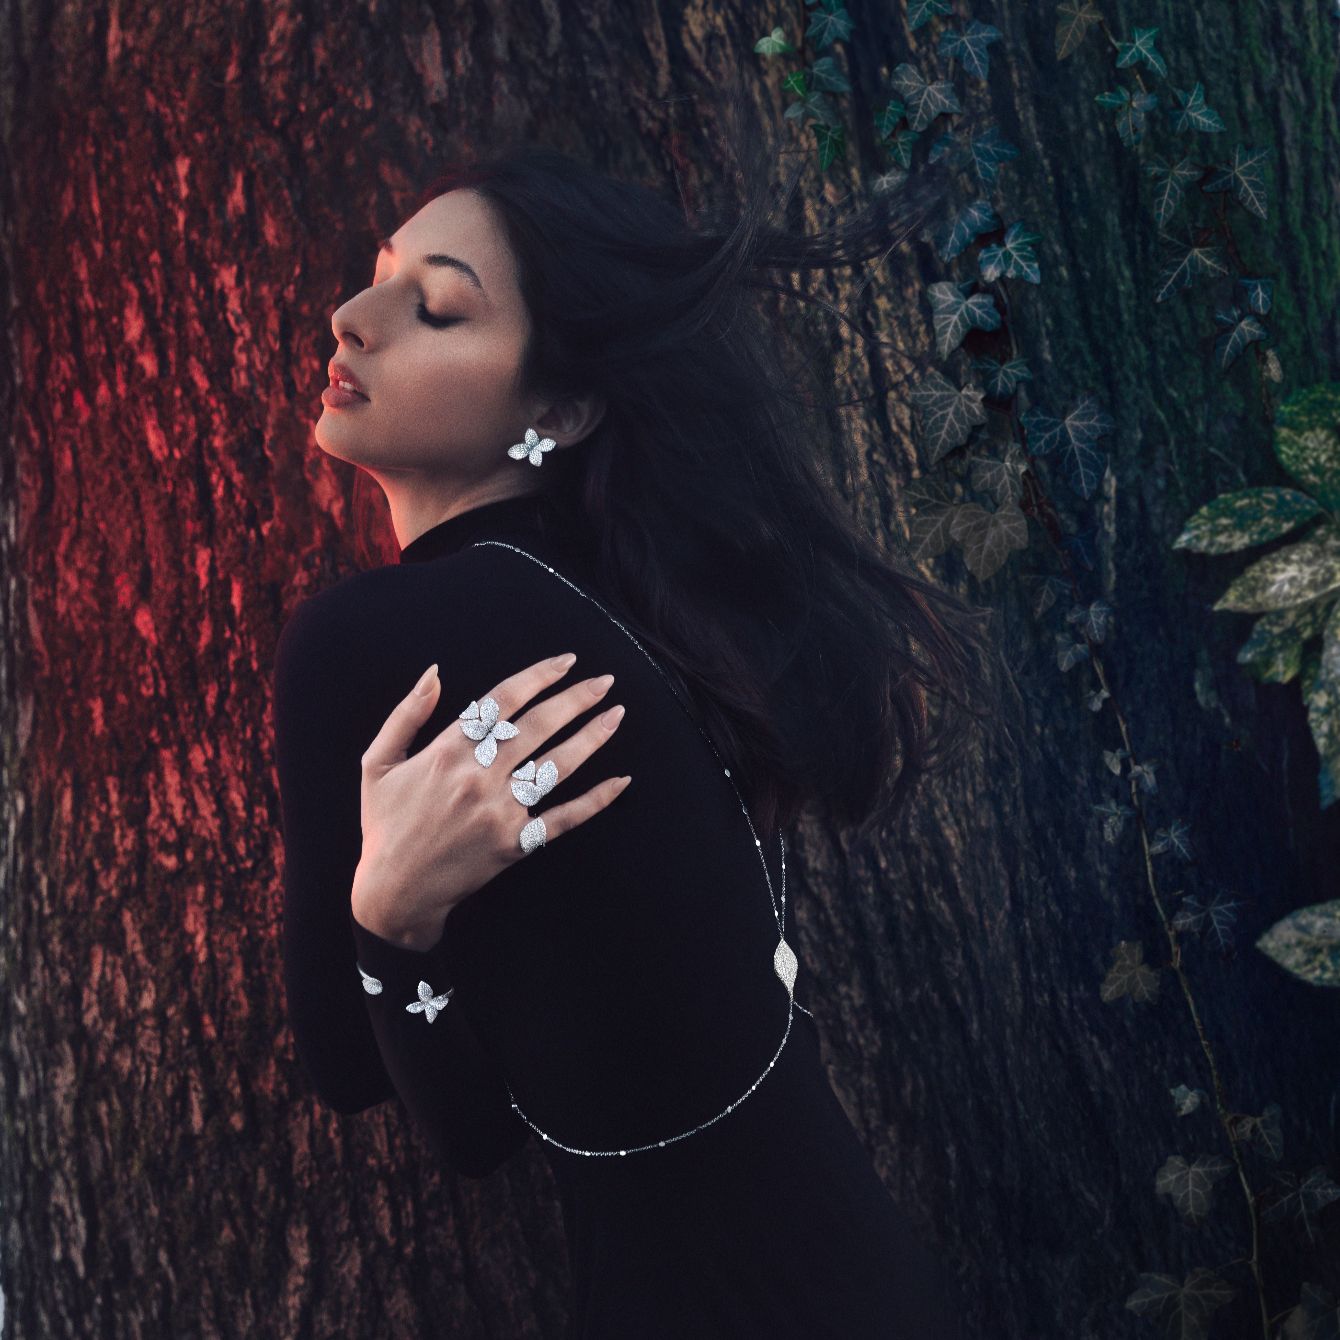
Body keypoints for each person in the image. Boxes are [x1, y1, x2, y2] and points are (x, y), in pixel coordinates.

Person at [273, 109, 1013, 1337]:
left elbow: (396, 1095)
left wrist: (389, 917)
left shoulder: (365, 641)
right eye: (384, 274)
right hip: (856, 1275)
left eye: (438, 308)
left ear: (558, 413)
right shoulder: (649, 610)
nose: (355, 315)